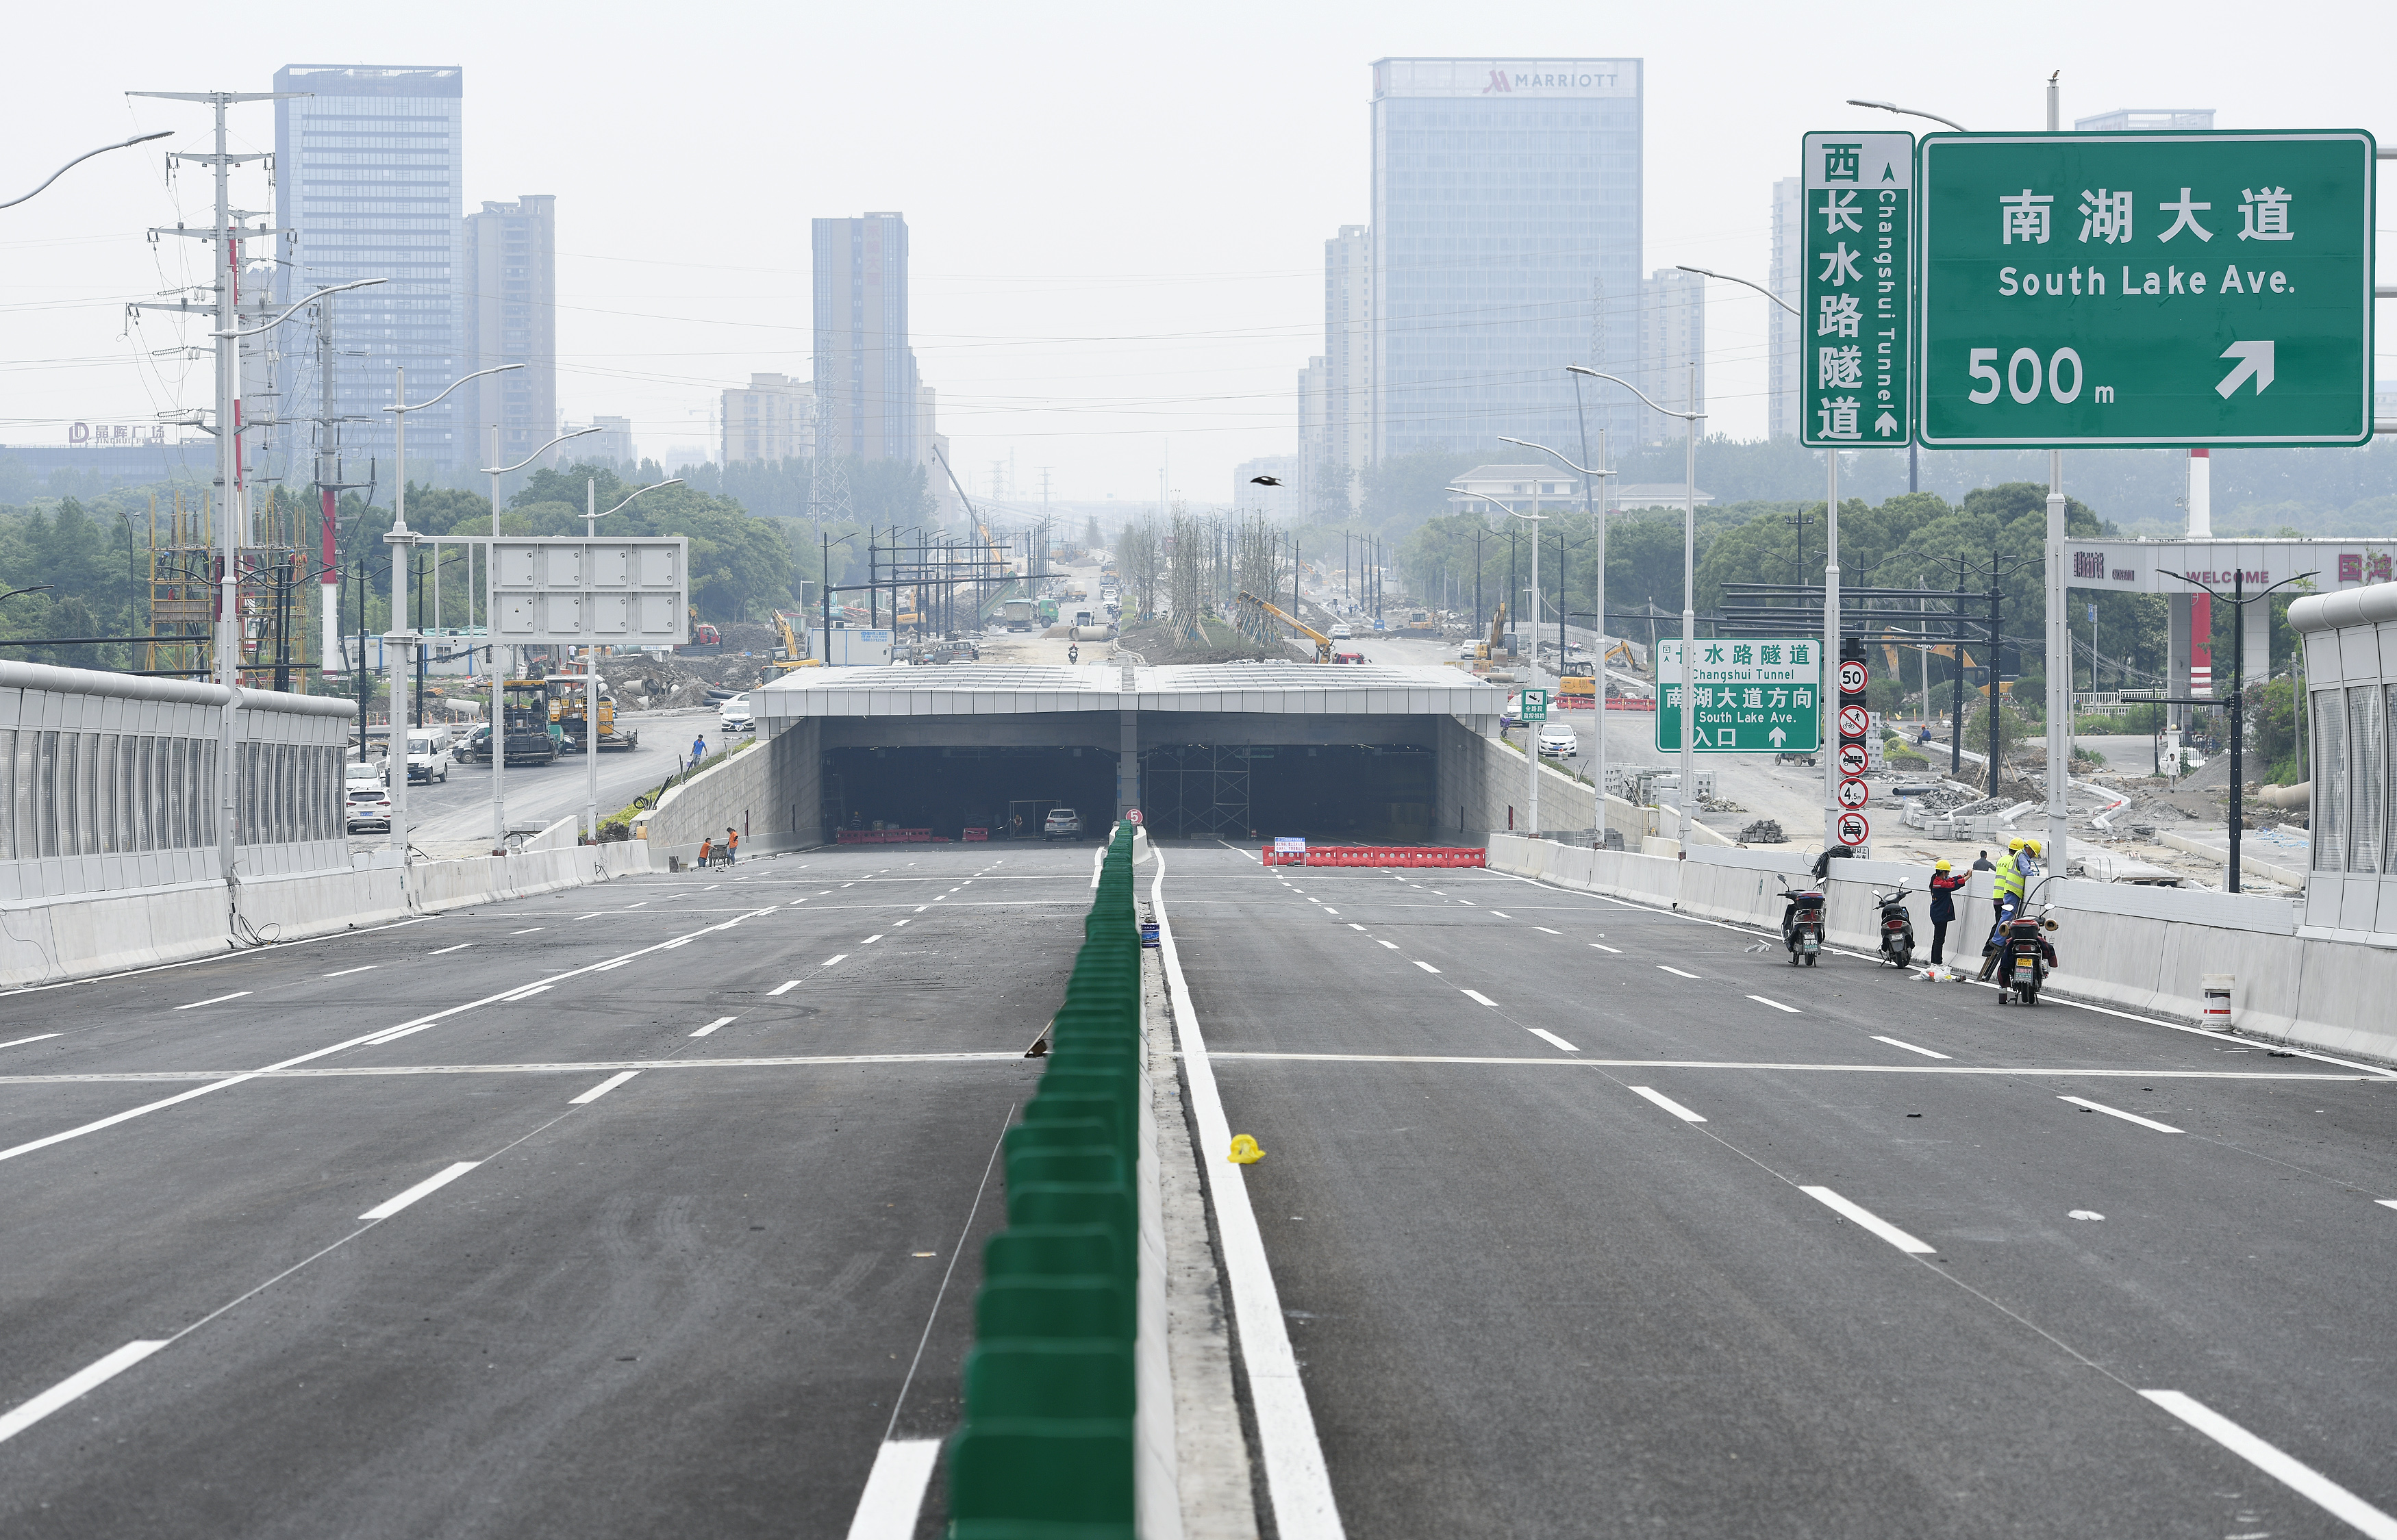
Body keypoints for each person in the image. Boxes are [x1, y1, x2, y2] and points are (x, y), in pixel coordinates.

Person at [1927, 859, 1967, 964]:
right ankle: (1938, 963)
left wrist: (1963, 875)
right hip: (1940, 914)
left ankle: (1935, 961)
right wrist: (1968, 877)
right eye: (1948, 873)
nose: (1948, 875)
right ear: (1944, 873)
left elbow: (1951, 881)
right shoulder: (1939, 884)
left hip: (1938, 914)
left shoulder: (1937, 881)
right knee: (1939, 940)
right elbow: (1953, 885)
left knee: (1937, 939)